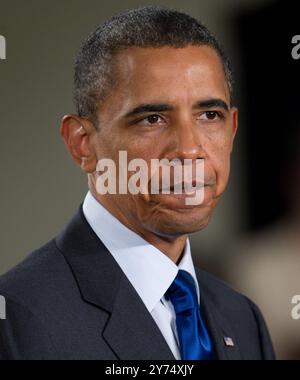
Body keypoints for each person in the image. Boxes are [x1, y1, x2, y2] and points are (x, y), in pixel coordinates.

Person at [0, 6, 275, 360]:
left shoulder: (243, 319)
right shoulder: (18, 320)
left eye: (209, 115)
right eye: (153, 118)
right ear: (82, 143)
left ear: (232, 130)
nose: (190, 149)